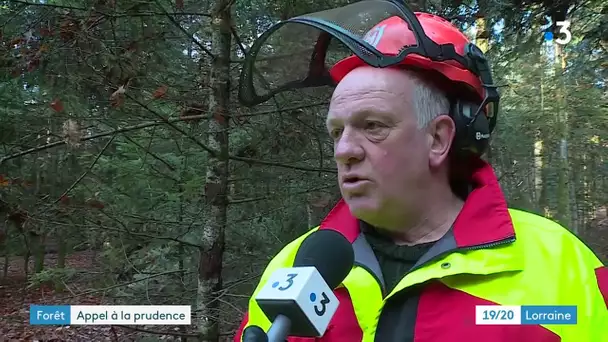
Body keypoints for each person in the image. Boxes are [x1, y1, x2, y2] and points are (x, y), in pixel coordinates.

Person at [233, 2, 608, 341]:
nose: (344, 150)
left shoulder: (561, 266)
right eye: (336, 131)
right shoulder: (295, 264)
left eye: (373, 126)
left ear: (438, 138)